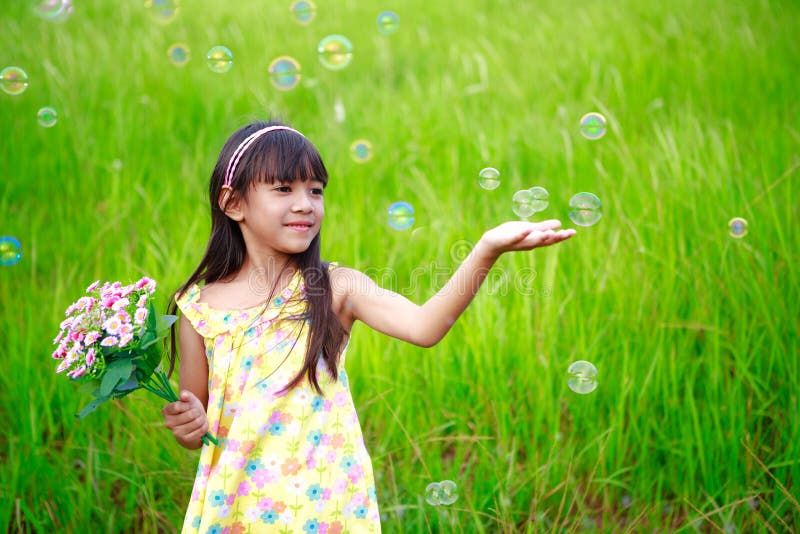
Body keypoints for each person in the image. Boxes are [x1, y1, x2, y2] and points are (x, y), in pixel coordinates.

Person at [161, 120, 576, 533]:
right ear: (233, 204)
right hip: (239, 509)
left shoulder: (333, 287)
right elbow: (195, 427)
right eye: (284, 188)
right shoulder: (199, 309)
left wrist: (487, 250)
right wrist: (189, 424)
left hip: (325, 508)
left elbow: (423, 326)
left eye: (316, 190)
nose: (306, 203)